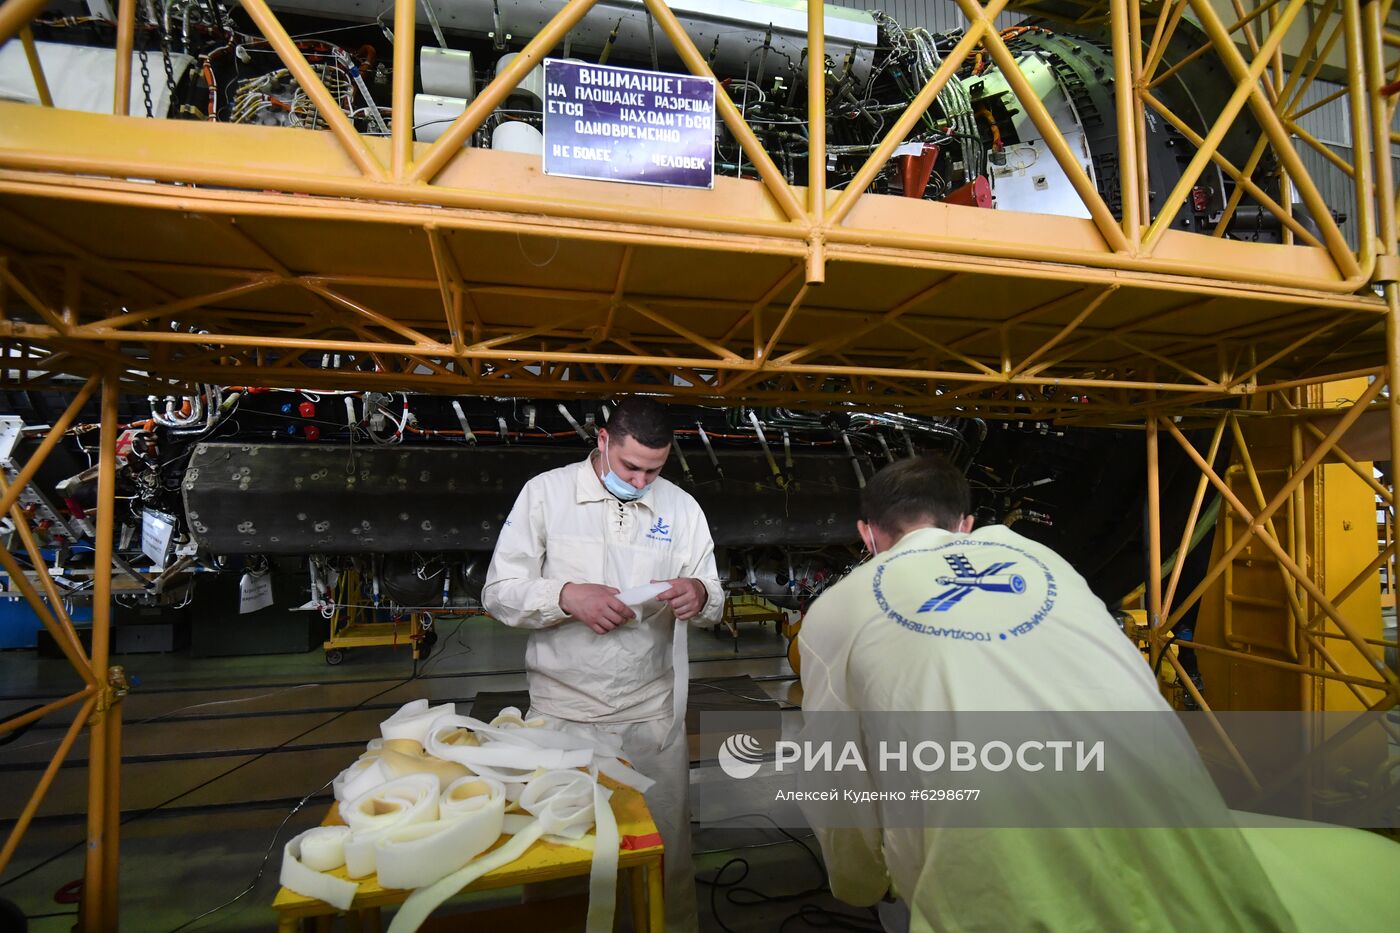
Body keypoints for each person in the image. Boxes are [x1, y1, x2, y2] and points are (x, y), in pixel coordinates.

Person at [797, 454, 1302, 932]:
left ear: (867, 534)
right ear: (965, 525)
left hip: (992, 888)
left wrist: (862, 883)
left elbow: (839, 776)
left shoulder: (838, 608)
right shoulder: (1044, 562)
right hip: (1188, 857)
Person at [483, 396, 723, 931]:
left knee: (663, 853)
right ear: (603, 441)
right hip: (563, 719)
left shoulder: (681, 508)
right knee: (562, 860)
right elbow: (499, 593)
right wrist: (566, 595)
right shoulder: (546, 495)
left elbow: (714, 592)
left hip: (651, 716)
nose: (640, 482)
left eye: (653, 471)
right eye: (630, 466)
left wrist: (698, 595)